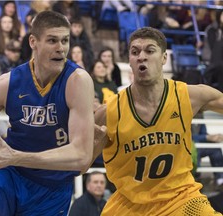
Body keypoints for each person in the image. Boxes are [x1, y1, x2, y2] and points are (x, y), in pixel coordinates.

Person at [0, 11, 94, 216]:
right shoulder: (7, 82)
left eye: (65, 40)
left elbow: (82, 156)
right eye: (52, 40)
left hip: (52, 185)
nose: (61, 48)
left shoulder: (77, 81)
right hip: (8, 172)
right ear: (33, 41)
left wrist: (16, 157)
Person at [93, 27, 223, 215]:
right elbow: (79, 165)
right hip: (130, 204)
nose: (141, 57)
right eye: (135, 52)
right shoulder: (109, 111)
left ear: (164, 58)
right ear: (129, 60)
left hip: (181, 199)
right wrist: (94, 145)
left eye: (150, 50)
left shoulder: (188, 96)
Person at [192, 112, 223, 192]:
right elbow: (187, 136)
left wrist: (214, 137)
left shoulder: (200, 115)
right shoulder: (184, 114)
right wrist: (207, 137)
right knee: (196, 149)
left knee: (215, 148)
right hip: (189, 146)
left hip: (198, 144)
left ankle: (220, 180)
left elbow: (203, 133)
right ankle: (195, 178)